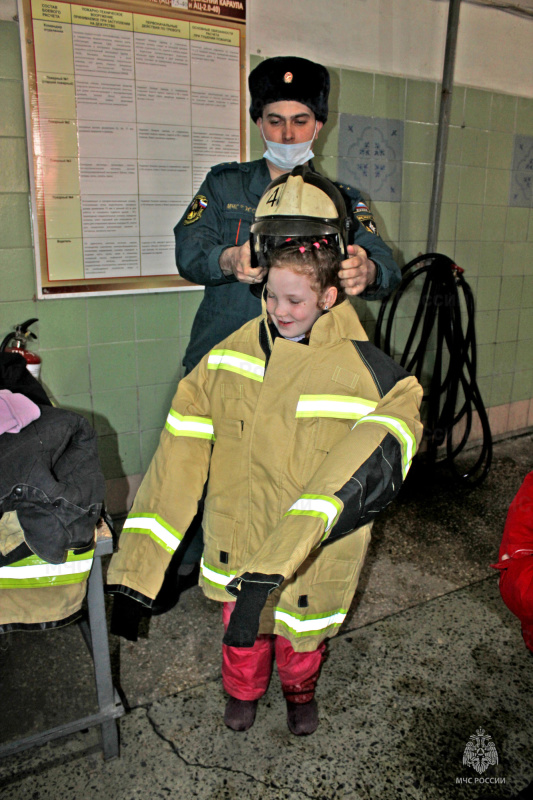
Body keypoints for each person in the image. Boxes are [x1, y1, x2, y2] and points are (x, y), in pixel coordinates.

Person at [108, 169, 423, 735]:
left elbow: (372, 463)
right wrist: (137, 575)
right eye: (270, 295)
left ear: (330, 294)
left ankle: (300, 692)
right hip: (241, 538)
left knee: (303, 638)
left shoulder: (370, 376)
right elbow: (173, 470)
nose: (280, 310)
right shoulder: (226, 359)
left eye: (295, 299)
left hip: (312, 555)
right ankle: (243, 691)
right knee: (243, 634)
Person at [174, 55, 402, 376]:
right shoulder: (224, 185)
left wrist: (369, 271)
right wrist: (228, 260)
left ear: (319, 126)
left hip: (306, 364)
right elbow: (188, 252)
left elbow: (388, 267)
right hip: (226, 355)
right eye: (275, 121)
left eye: (300, 120)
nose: (288, 135)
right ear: (259, 124)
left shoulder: (340, 200)